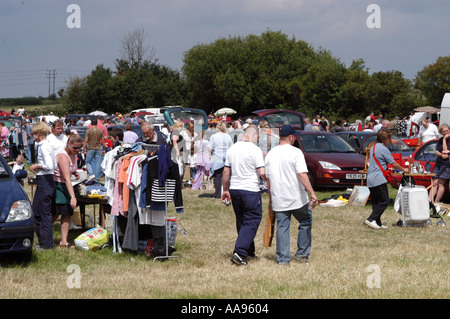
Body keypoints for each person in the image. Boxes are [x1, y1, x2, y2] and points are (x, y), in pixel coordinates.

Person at [265, 125, 318, 265]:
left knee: (282, 226)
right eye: (294, 136)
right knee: (306, 221)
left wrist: (271, 196)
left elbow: (268, 178)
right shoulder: (296, 152)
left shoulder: (271, 154)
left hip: (278, 197)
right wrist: (312, 193)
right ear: (290, 137)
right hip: (296, 197)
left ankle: (283, 259)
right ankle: (302, 254)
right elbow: (301, 174)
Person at [221, 125, 266, 266]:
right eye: (258, 137)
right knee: (252, 220)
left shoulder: (232, 148)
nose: (258, 140)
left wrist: (225, 190)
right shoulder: (255, 149)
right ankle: (240, 252)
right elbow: (262, 173)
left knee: (242, 220)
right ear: (253, 135)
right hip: (250, 190)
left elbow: (226, 172)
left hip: (235, 189)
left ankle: (248, 251)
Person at [365, 128, 408, 229]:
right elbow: (393, 162)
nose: (390, 141)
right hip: (378, 178)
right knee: (385, 200)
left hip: (370, 178)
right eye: (389, 139)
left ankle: (377, 222)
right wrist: (403, 169)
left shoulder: (373, 147)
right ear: (383, 139)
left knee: (376, 201)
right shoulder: (384, 149)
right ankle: (371, 219)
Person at [52, 134, 82, 248]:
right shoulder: (63, 156)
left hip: (66, 185)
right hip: (58, 185)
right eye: (75, 148)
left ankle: (64, 241)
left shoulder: (74, 154)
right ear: (69, 144)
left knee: (67, 212)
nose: (77, 150)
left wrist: (74, 172)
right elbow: (66, 178)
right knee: (56, 212)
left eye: (79, 148)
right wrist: (73, 197)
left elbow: (69, 172)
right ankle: (43, 234)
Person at [29, 122, 56, 249]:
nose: (32, 136)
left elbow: (50, 165)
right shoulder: (44, 145)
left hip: (46, 180)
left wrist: (38, 166)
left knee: (44, 213)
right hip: (44, 180)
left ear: (39, 134)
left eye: (34, 133)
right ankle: (43, 241)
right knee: (36, 212)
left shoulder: (44, 146)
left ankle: (46, 244)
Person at [208, 122, 233, 198]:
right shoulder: (228, 136)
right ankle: (227, 191)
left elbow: (210, 148)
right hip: (227, 158)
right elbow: (231, 147)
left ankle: (218, 194)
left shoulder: (213, 136)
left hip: (217, 157)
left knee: (217, 176)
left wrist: (210, 156)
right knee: (227, 176)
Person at [433, 124, 450, 203]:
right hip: (439, 163)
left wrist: (444, 140)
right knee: (434, 183)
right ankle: (430, 202)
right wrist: (441, 155)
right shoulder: (440, 140)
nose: (445, 132)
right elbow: (437, 151)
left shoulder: (446, 140)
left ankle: (436, 203)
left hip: (446, 165)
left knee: (441, 184)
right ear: (441, 132)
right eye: (443, 131)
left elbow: (445, 151)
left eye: (447, 130)